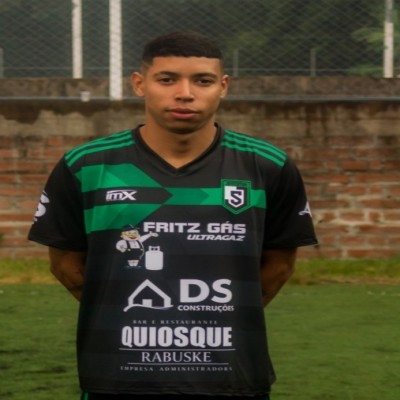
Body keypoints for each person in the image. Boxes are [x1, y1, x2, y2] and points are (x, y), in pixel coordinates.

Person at [28, 31, 318, 400]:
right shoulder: (87, 165)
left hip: (230, 378)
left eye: (203, 81)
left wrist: (219, 316)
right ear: (139, 84)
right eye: (167, 79)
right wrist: (122, 311)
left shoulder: (266, 165)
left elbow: (279, 265)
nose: (185, 93)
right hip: (118, 376)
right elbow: (65, 265)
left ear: (223, 87)